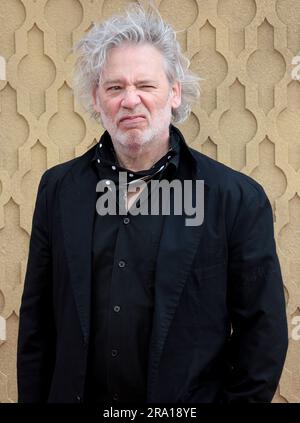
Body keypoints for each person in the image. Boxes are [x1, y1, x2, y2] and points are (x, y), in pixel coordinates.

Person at [17, 4, 288, 403]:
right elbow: (37, 326)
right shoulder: (58, 190)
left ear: (174, 92)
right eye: (115, 87)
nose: (130, 100)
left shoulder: (236, 199)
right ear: (96, 98)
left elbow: (262, 338)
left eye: (146, 85)